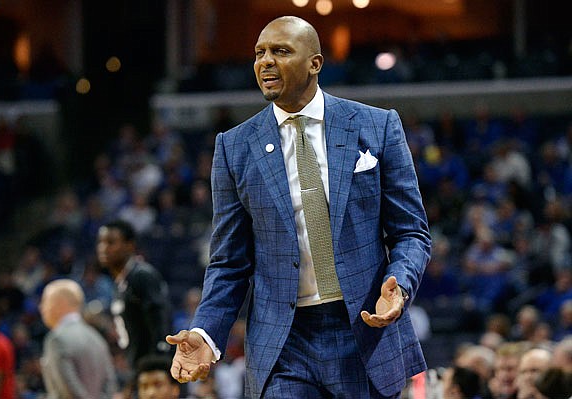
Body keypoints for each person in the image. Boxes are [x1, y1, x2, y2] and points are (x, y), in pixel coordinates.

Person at [166, 15, 431, 398]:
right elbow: (229, 261)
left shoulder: (377, 126)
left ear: (315, 63)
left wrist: (400, 285)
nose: (266, 62)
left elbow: (411, 233)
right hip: (284, 343)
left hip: (363, 329)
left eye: (281, 51)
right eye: (259, 53)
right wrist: (207, 331)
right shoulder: (234, 147)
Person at [97, 220, 171, 368]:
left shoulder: (142, 276)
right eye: (101, 242)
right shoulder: (121, 282)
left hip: (152, 371)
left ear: (129, 245)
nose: (103, 248)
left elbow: (160, 324)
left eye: (111, 242)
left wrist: (157, 366)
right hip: (137, 366)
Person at [39, 278, 117, 399]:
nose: (41, 308)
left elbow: (67, 392)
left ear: (59, 303)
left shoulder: (56, 339)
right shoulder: (96, 338)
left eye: (45, 301)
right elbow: (110, 383)